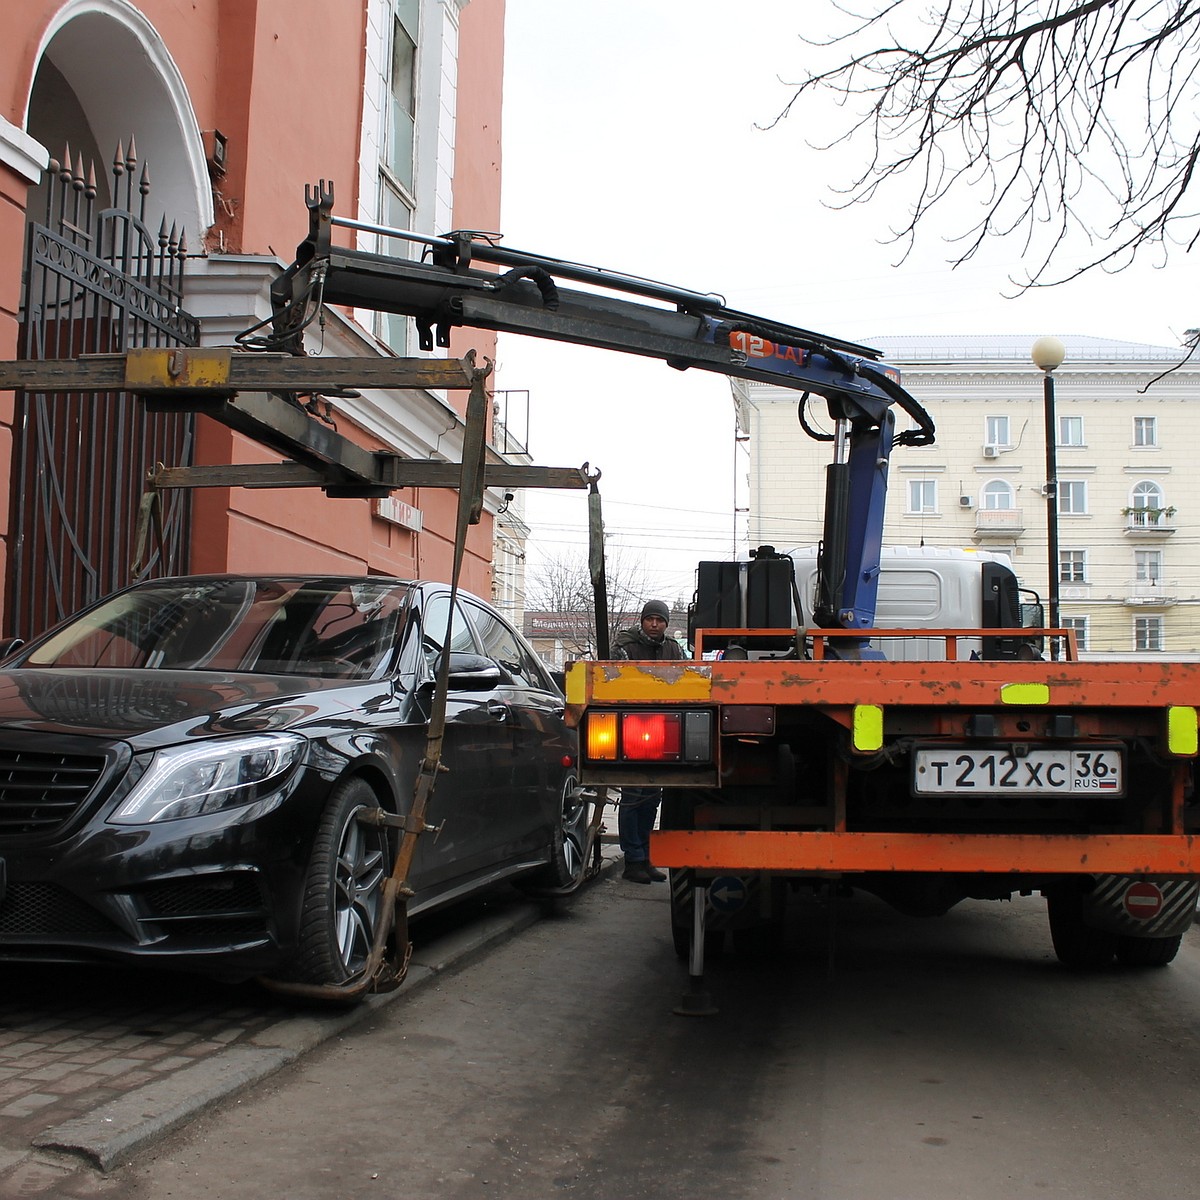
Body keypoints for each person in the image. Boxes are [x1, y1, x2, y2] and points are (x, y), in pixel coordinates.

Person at [611, 599, 684, 884]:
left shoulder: (673, 649)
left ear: (666, 624)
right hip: (632, 730)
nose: (654, 624)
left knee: (652, 799)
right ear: (642, 621)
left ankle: (647, 856)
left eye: (659, 620)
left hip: (664, 732)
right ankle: (634, 860)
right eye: (649, 619)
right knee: (633, 797)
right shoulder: (625, 647)